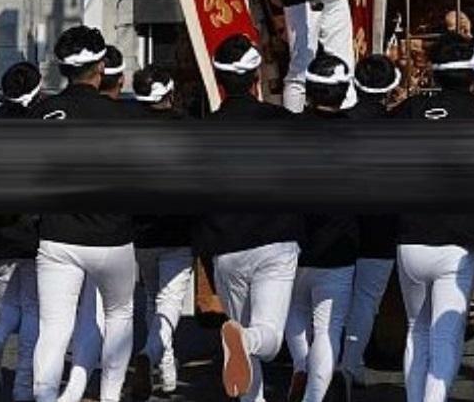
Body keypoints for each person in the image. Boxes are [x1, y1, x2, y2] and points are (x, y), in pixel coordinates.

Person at [33, 26, 142, 402]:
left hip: (57, 237)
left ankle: (45, 396)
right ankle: (110, 395)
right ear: (100, 66)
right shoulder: (128, 117)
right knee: (119, 316)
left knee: (54, 327)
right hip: (114, 237)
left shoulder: (42, 114)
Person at [193, 33, 302, 402]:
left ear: (219, 80)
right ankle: (245, 339)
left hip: (227, 246)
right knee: (266, 339)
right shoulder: (284, 123)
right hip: (277, 240)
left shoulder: (203, 132)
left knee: (241, 342)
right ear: (257, 77)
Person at [392, 33, 474, 402]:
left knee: (416, 329)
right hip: (457, 245)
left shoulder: (407, 111)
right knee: (445, 335)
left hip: (408, 239)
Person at [285, 50, 359, 402]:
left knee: (294, 316)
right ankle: (315, 394)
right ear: (344, 91)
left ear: (309, 90)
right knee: (328, 331)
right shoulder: (356, 136)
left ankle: (300, 365)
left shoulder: (287, 131)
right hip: (339, 248)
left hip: (291, 244)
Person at [0, 62, 46, 402]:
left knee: (8, 302)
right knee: (34, 308)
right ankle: (22, 386)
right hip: (32, 230)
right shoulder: (44, 125)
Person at [129, 64, 194, 398]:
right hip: (178, 228)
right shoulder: (187, 128)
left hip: (140, 231)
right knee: (169, 302)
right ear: (170, 92)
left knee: (152, 298)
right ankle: (150, 355)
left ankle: (166, 369)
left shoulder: (128, 130)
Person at [339, 55, 401, 389]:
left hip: (339, 225)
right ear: (392, 88)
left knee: (332, 300)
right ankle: (350, 364)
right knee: (366, 300)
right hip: (382, 225)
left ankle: (322, 364)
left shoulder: (340, 124)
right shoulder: (400, 128)